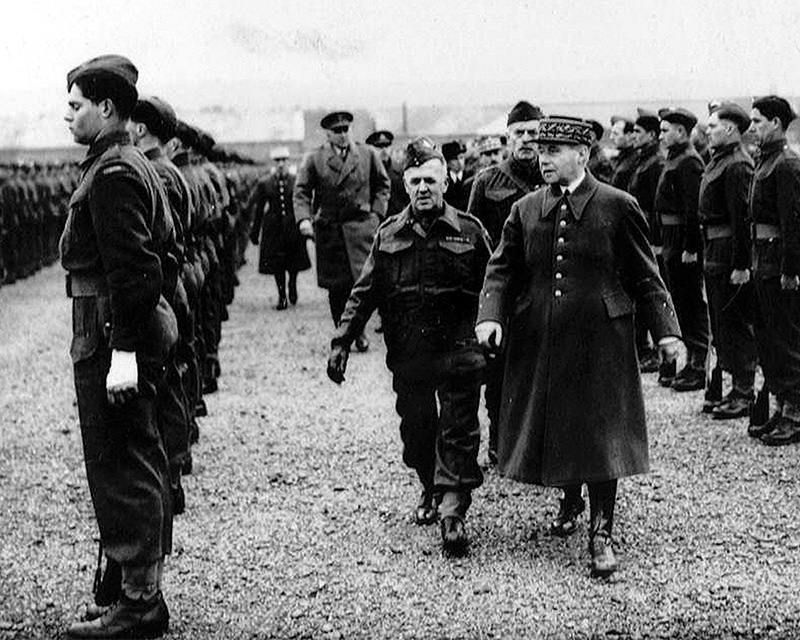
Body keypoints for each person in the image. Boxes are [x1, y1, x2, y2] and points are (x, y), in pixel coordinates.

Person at [475, 116, 684, 577]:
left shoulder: (617, 205)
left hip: (601, 342)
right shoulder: (526, 209)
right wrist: (490, 317)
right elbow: (501, 270)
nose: (542, 158)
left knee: (601, 434)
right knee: (559, 424)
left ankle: (601, 532)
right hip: (543, 340)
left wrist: (668, 331)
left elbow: (645, 274)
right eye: (539, 150)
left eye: (553, 151)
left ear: (583, 156)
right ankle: (570, 499)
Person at [327, 138, 492, 556]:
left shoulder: (470, 232)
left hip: (459, 350)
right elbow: (364, 292)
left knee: (458, 429)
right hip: (411, 354)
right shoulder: (388, 235)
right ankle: (429, 486)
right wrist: (342, 341)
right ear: (405, 183)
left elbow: (497, 288)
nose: (423, 189)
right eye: (416, 181)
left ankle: (453, 511)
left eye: (431, 181)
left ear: (446, 182)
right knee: (417, 430)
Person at [61, 54, 175, 638]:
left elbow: (135, 271)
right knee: (135, 455)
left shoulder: (113, 174)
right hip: (111, 328)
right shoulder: (122, 163)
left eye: (76, 104)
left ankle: (139, 602)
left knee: (121, 462)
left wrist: (125, 351)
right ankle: (135, 589)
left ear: (106, 108)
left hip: (109, 332)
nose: (67, 116)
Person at [127, 95, 197, 514]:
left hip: (164, 288)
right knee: (174, 374)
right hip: (173, 283)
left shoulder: (158, 175)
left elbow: (157, 244)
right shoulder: (167, 170)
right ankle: (172, 466)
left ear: (138, 129)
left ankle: (169, 475)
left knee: (166, 381)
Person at [467, 100, 544, 464]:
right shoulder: (487, 182)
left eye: (533, 133)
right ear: (508, 137)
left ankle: (540, 443)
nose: (527, 140)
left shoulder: (555, 177)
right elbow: (470, 240)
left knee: (544, 366)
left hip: (545, 288)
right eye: (520, 133)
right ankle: (500, 439)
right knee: (497, 371)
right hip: (504, 290)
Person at [294, 110, 390, 353]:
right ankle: (344, 331)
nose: (343, 135)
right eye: (337, 131)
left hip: (361, 230)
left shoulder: (367, 155)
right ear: (327, 134)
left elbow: (382, 185)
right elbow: (302, 191)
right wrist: (303, 219)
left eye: (346, 129)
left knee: (362, 285)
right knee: (337, 289)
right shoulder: (314, 159)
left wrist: (377, 215)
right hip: (331, 233)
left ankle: (359, 330)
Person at [698, 102, 757, 420]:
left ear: (731, 129)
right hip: (714, 251)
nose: (708, 131)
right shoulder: (719, 160)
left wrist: (741, 265)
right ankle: (734, 387)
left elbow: (741, 220)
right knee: (721, 322)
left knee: (734, 321)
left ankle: (744, 390)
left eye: (713, 126)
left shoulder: (737, 164)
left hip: (727, 253)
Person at [747, 95, 800, 445]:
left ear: (776, 124)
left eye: (758, 122)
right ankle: (781, 408)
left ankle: (795, 413)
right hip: (761, 260)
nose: (752, 128)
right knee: (769, 340)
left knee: (788, 339)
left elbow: (792, 222)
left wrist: (790, 270)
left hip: (778, 261)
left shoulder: (786, 164)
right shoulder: (765, 160)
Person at [655, 108, 710, 391]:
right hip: (671, 238)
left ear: (681, 131)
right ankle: (692, 363)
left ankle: (699, 365)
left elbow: (692, 208)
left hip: (682, 240)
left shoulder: (688, 161)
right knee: (680, 300)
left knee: (690, 302)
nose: (661, 135)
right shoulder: (675, 158)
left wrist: (691, 246)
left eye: (666, 130)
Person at [248, 146, 311, 309]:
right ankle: (282, 295)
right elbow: (259, 210)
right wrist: (255, 233)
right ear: (274, 163)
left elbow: (302, 203)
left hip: (292, 227)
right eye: (278, 161)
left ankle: (292, 285)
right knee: (277, 264)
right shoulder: (265, 183)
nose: (281, 164)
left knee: (293, 262)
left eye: (283, 160)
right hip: (273, 229)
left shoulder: (295, 180)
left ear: (287, 161)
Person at [628, 109, 667, 373]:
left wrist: (653, 238)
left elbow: (656, 206)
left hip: (648, 234)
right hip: (638, 230)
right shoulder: (643, 160)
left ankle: (653, 351)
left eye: (638, 133)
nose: (634, 136)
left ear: (651, 135)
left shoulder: (656, 163)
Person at [366, 129, 409, 218]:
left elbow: (407, 198)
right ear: (371, 149)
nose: (384, 150)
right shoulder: (366, 171)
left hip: (397, 219)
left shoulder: (401, 170)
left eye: (387, 146)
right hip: (373, 219)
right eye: (379, 147)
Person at [442, 140, 472, 211]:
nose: (459, 162)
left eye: (461, 158)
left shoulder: (471, 177)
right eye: (455, 159)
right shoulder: (443, 180)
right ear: (447, 162)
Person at [610, 115, 637, 190]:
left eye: (616, 134)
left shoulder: (634, 160)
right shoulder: (621, 157)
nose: (611, 137)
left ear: (628, 135)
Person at [587, 119, 613, 184]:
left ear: (593, 136)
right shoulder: (588, 154)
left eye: (586, 132)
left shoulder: (602, 159)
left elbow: (606, 183)